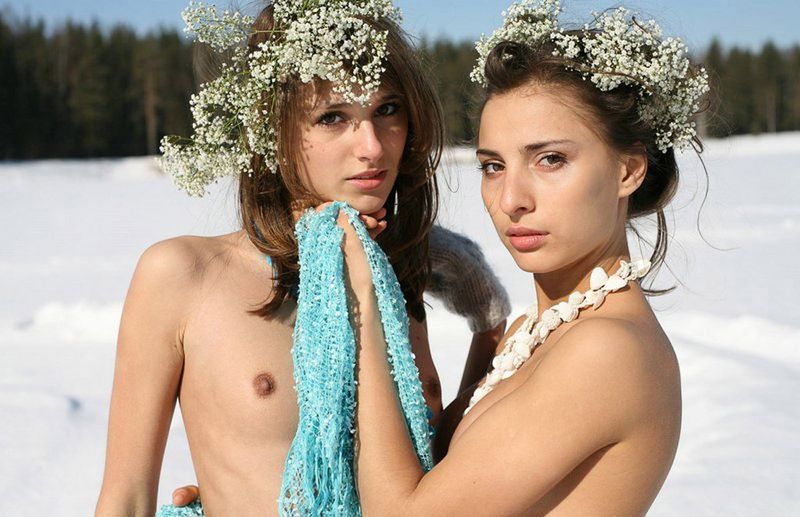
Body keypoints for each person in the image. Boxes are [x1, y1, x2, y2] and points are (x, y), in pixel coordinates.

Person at [94, 1, 510, 516]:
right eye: (332, 117)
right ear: (274, 131)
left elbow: (440, 473)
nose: (373, 147)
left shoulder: (404, 273)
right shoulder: (184, 275)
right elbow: (126, 499)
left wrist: (480, 300)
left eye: (387, 110)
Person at [341, 1, 709, 515]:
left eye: (550, 159)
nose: (512, 198)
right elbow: (422, 478)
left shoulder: (607, 350)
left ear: (628, 170)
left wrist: (362, 299)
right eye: (493, 166)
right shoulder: (531, 335)